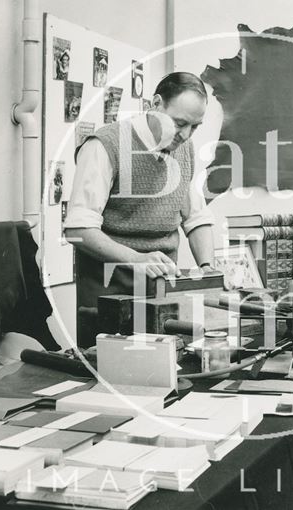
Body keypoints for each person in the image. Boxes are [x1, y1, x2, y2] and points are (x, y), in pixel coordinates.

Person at [65, 72, 215, 347]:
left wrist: (207, 269)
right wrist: (137, 259)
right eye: (179, 123)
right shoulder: (104, 145)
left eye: (194, 127)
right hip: (109, 293)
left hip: (161, 293)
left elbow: (196, 217)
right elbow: (77, 230)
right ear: (155, 104)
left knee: (170, 375)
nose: (185, 135)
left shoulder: (185, 149)